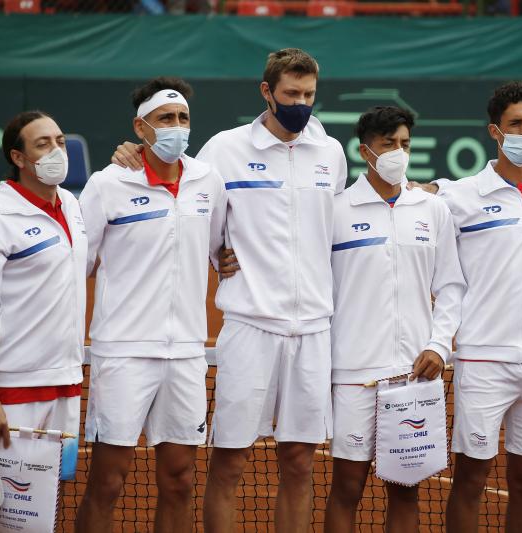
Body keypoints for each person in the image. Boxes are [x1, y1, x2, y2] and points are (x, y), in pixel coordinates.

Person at [110, 49, 348, 533]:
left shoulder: (332, 153)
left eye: (309, 94)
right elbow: (198, 216)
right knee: (229, 462)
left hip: (314, 332)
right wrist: (130, 153)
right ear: (267, 92)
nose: (301, 103)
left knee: (301, 463)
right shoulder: (224, 150)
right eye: (291, 94)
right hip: (249, 329)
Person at [411, 82, 522, 533]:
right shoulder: (460, 196)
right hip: (483, 361)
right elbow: (413, 205)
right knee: (470, 479)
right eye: (515, 124)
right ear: (495, 132)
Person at [74, 77, 227, 533]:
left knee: (180, 481)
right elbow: (76, 262)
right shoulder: (107, 184)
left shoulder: (208, 181)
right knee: (108, 481)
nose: (176, 127)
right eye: (165, 119)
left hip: (185, 353)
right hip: (122, 352)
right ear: (141, 128)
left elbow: (220, 246)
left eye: (182, 118)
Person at [323, 107, 465, 533]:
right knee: (347, 487)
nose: (398, 152)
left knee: (406, 488)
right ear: (365, 151)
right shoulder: (336, 210)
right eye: (389, 144)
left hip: (414, 374)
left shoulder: (432, 210)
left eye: (404, 143)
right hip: (353, 374)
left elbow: (452, 287)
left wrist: (439, 345)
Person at [0, 110, 87, 532]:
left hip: (65, 385)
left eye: (60, 141)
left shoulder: (71, 205)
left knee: (42, 501)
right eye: (42, 144)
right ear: (19, 157)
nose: (56, 151)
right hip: (12, 394)